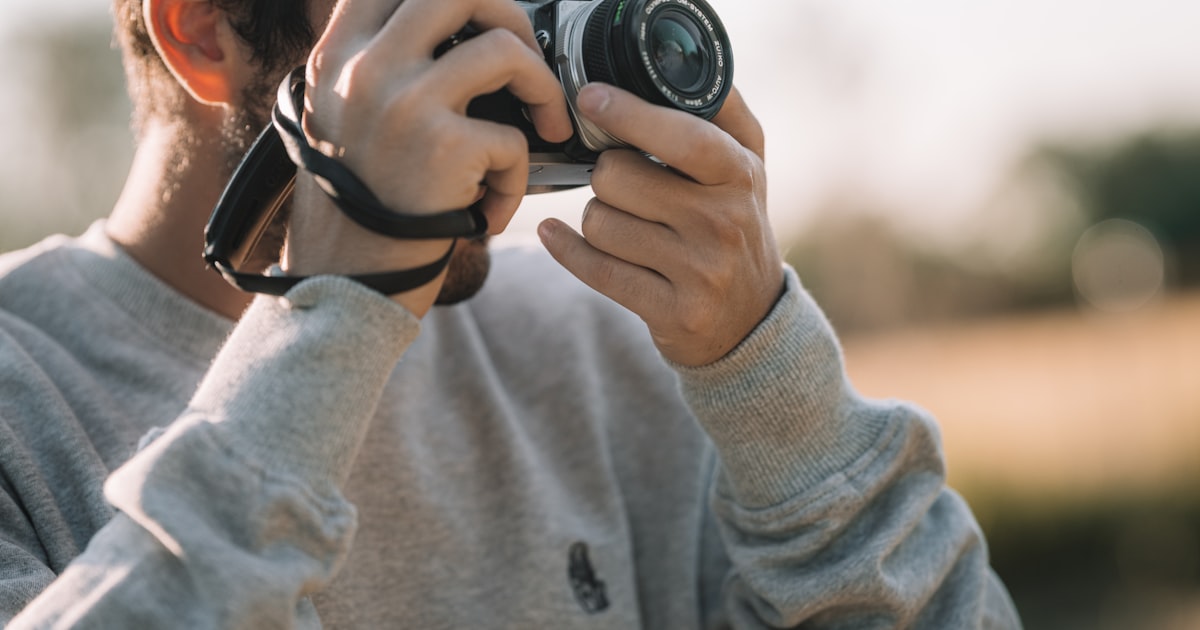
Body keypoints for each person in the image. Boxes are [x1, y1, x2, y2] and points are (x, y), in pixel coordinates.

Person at [0, 0, 1022, 627]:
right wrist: (339, 322)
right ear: (204, 28)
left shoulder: (601, 340)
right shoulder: (24, 397)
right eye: (438, 13)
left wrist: (768, 378)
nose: (523, 62)